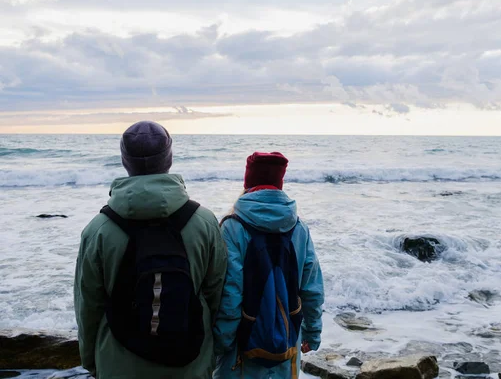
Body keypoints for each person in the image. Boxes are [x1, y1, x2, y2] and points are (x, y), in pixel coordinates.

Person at [74, 121, 227, 379]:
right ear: (169, 158)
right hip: (190, 362)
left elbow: (88, 306)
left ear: (125, 161)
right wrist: (212, 353)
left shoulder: (98, 229)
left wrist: (92, 359)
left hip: (118, 365)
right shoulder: (204, 222)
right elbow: (216, 295)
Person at [213, 152, 325, 379]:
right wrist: (312, 333)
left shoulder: (232, 227)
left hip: (241, 347)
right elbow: (312, 288)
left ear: (248, 184)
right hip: (286, 341)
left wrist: (221, 343)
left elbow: (230, 294)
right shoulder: (299, 227)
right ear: (279, 184)